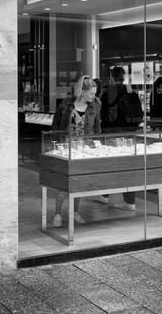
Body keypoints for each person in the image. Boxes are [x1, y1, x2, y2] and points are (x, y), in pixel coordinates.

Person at [52, 75, 101, 227]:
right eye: (91, 93)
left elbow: (97, 128)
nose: (94, 96)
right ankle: (57, 213)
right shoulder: (65, 106)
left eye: (95, 93)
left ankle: (75, 211)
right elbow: (56, 127)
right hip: (66, 147)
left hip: (84, 149)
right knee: (63, 184)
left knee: (78, 182)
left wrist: (97, 144)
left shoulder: (95, 106)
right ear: (82, 92)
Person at [100, 66, 143, 211]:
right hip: (130, 134)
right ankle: (130, 201)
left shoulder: (109, 93)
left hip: (112, 133)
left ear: (111, 77)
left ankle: (105, 195)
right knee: (127, 166)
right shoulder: (130, 91)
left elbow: (103, 114)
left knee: (110, 165)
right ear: (123, 77)